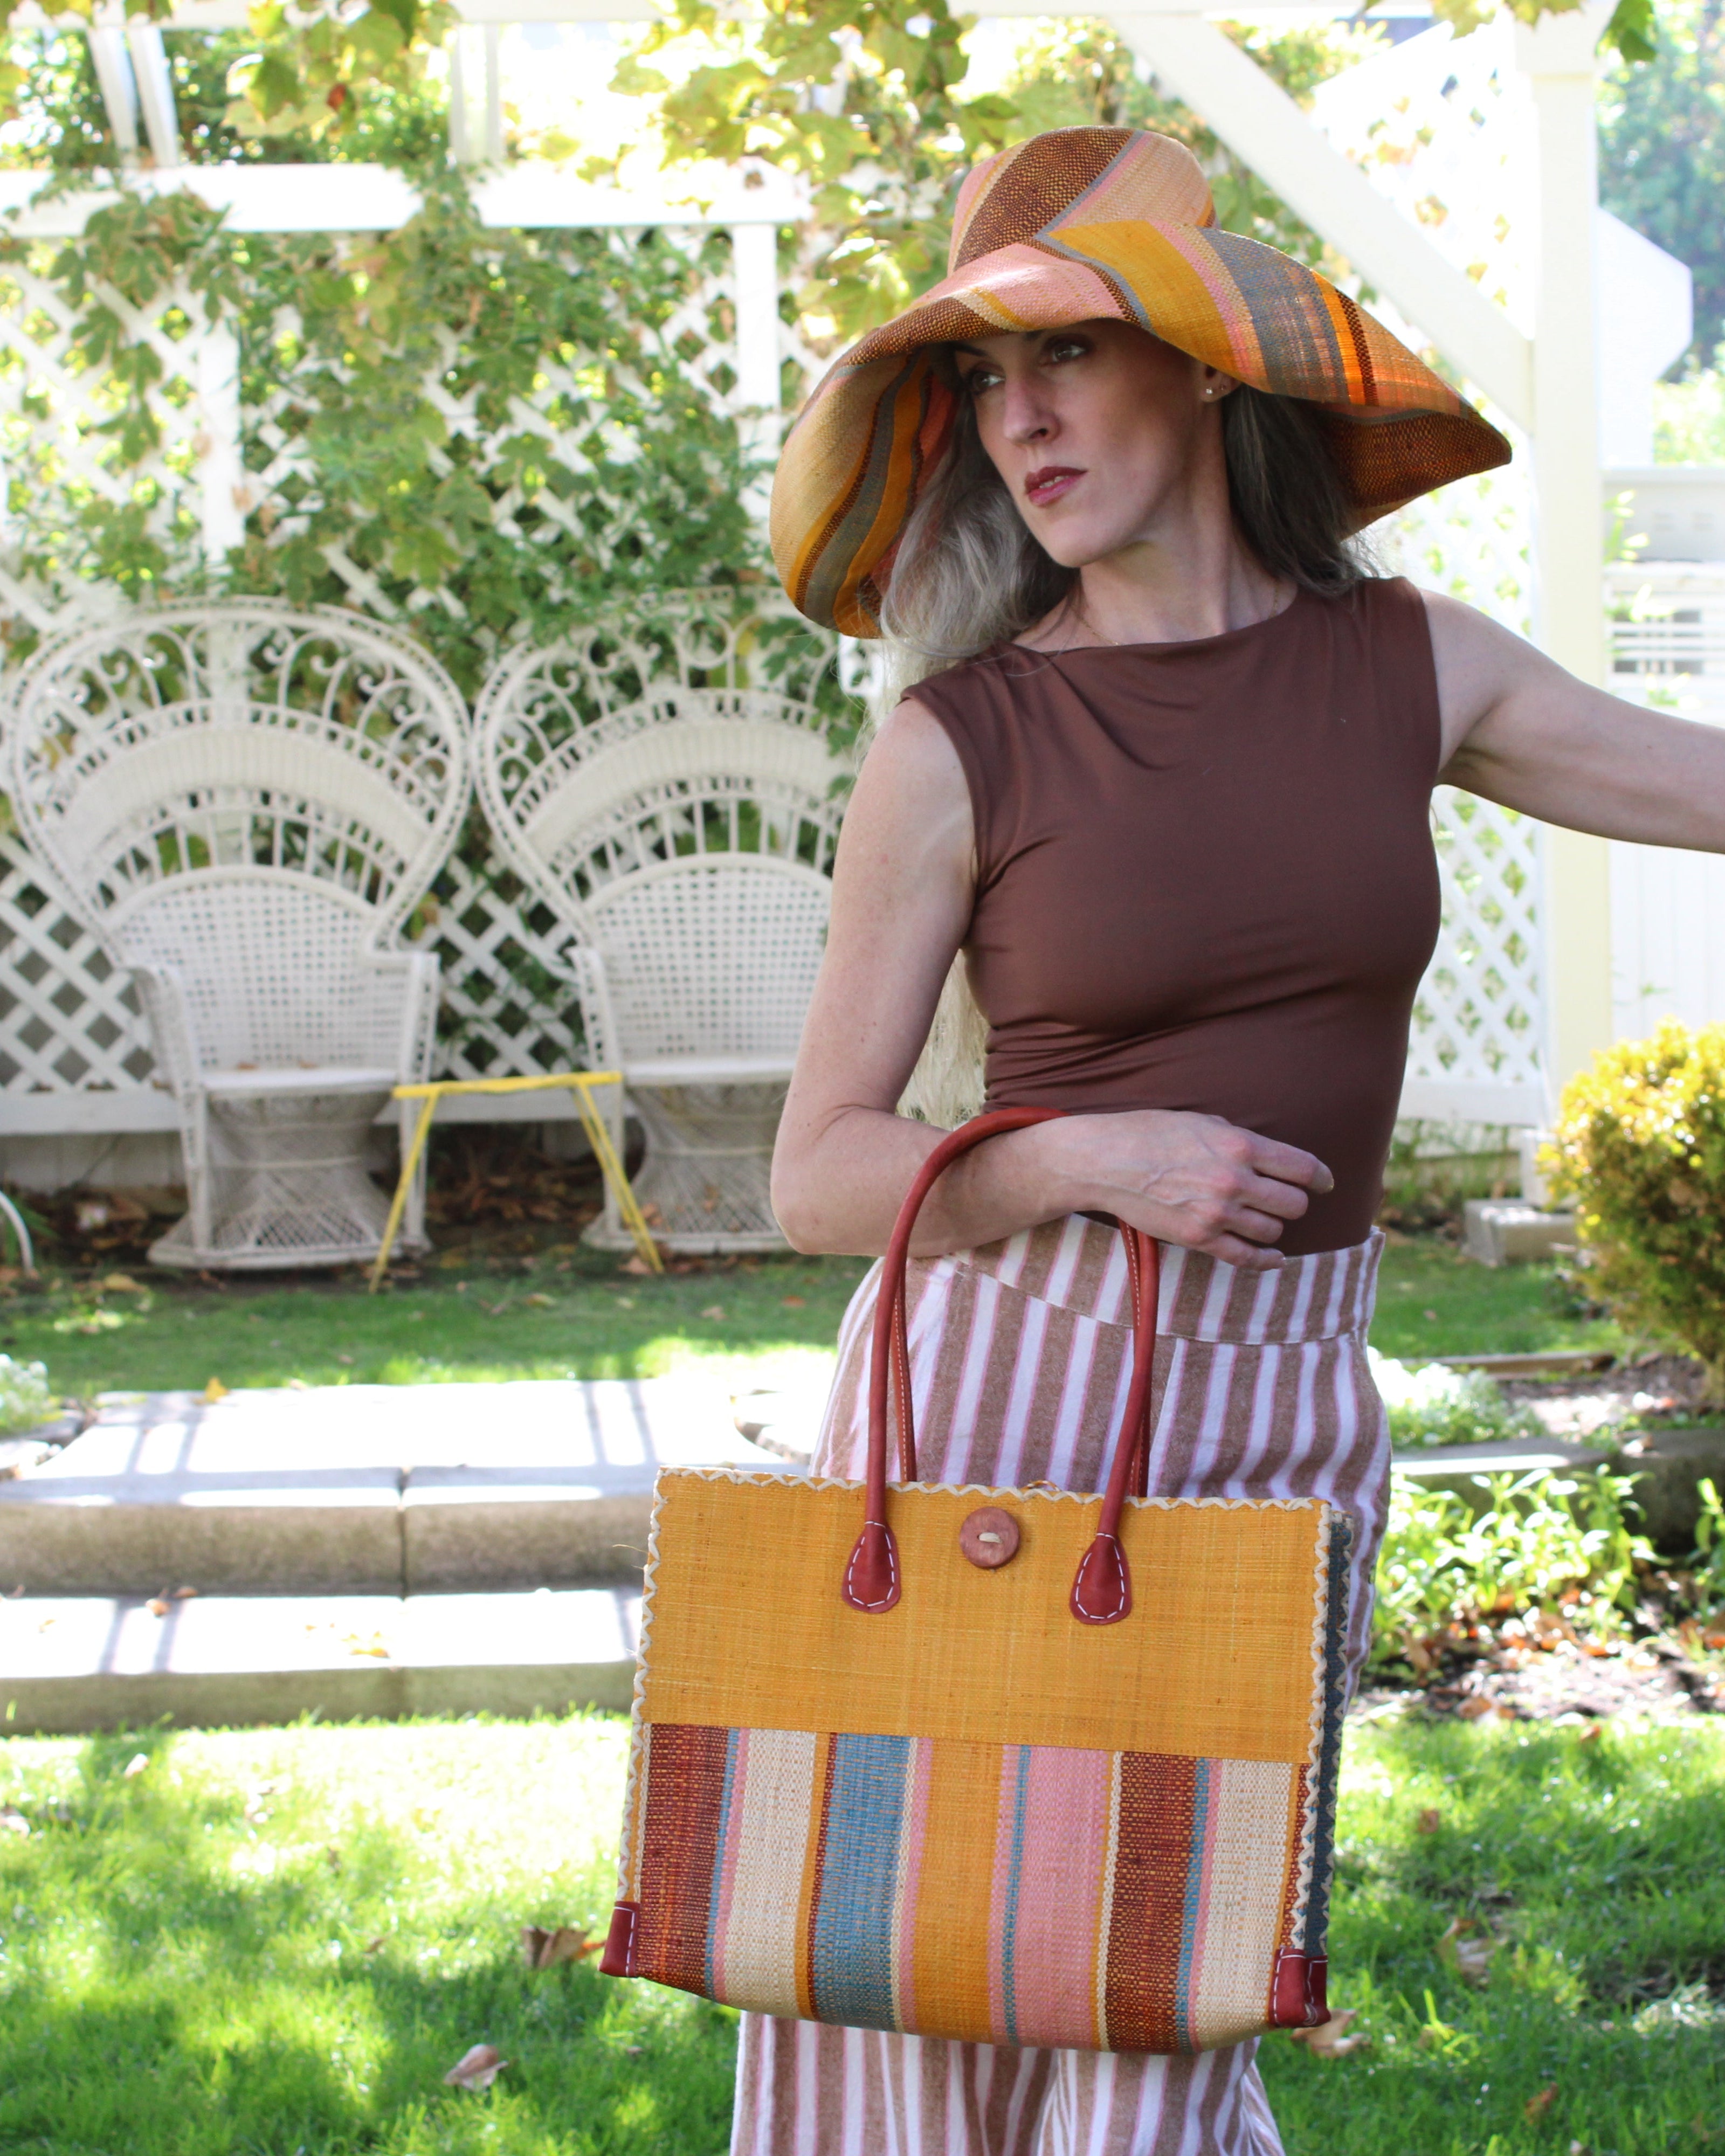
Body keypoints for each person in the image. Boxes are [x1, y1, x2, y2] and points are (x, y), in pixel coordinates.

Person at [736, 126, 1725, 2156]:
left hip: (1284, 1422)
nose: (1017, 422)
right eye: (982, 390)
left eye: (1065, 363)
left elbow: (1699, 781)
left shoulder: (1407, 664)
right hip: (1009, 1411)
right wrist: (1082, 1157)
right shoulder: (961, 741)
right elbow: (816, 1171)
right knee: (914, 1992)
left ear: (1201, 368)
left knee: (1165, 2000)